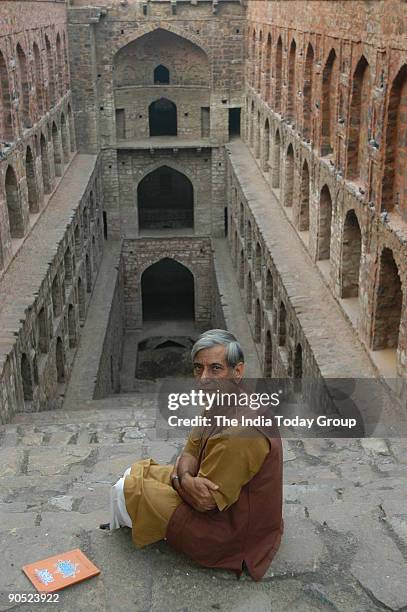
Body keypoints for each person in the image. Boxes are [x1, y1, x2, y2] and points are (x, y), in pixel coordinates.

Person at [100, 329, 283, 581]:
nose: (203, 379)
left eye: (215, 369)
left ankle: (141, 524)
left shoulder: (240, 433)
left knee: (126, 488)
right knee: (135, 472)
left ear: (237, 371)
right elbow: (190, 450)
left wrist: (179, 477)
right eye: (199, 368)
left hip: (232, 532)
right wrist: (185, 476)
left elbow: (205, 503)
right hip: (211, 494)